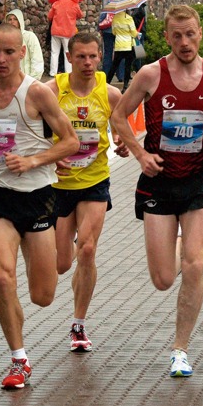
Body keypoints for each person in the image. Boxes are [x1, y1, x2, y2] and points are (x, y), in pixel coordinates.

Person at [110, 4, 203, 378]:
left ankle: (180, 349)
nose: (185, 42)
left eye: (191, 34)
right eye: (177, 35)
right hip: (159, 183)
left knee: (196, 266)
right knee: (164, 279)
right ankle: (178, 246)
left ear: (200, 33)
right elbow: (119, 116)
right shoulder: (151, 74)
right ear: (167, 37)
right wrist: (139, 154)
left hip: (199, 182)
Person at [0, 23, 79, 390]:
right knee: (3, 277)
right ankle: (19, 360)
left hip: (38, 197)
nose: (2, 59)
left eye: (9, 52)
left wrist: (34, 161)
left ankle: (59, 245)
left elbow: (69, 142)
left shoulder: (36, 93)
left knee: (42, 296)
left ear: (22, 52)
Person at [45, 32, 129, 353]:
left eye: (93, 56)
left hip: (95, 181)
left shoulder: (109, 94)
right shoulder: (52, 92)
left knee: (89, 250)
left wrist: (123, 145)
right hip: (60, 184)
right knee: (64, 263)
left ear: (101, 56)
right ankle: (76, 272)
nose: (88, 63)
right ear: (69, 58)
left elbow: (123, 129)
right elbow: (33, 131)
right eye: (81, 57)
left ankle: (78, 324)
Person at [47, 0, 83, 77]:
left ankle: (53, 72)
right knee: (68, 52)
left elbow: (49, 16)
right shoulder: (75, 5)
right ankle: (68, 72)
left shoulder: (57, 3)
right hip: (68, 32)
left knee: (54, 52)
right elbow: (80, 15)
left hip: (55, 31)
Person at [5, 8, 45, 80]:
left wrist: (32, 80)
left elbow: (37, 59)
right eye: (10, 19)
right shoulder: (4, 39)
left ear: (20, 21)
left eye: (15, 19)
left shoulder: (29, 36)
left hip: (28, 78)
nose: (12, 22)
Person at [108, 9, 139, 93]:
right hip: (128, 45)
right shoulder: (129, 18)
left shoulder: (115, 18)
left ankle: (107, 83)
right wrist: (137, 34)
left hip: (119, 45)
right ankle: (125, 86)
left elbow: (114, 32)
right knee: (127, 66)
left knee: (114, 65)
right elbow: (133, 33)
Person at [99, 0, 126, 82]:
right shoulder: (124, 4)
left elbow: (102, 17)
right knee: (120, 53)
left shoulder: (109, 3)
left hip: (107, 31)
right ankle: (121, 75)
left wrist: (100, 28)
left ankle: (106, 75)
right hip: (119, 32)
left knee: (108, 53)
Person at [130, 0, 149, 72]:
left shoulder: (138, 6)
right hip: (139, 32)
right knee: (139, 52)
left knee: (138, 52)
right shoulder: (139, 7)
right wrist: (139, 27)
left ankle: (137, 69)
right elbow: (134, 17)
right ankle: (138, 70)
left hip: (139, 31)